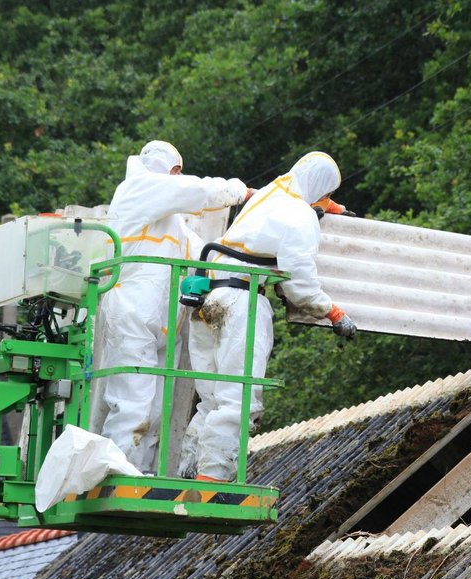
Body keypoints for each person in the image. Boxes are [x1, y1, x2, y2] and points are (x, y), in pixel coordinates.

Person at [181, 151, 357, 482]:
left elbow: (296, 205)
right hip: (239, 303)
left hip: (206, 297)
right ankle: (211, 485)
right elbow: (298, 282)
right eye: (328, 193)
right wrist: (332, 312)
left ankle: (188, 479)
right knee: (239, 401)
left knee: (211, 402)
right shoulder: (299, 215)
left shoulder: (269, 196)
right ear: (319, 187)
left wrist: (329, 208)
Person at [99, 140, 249, 473]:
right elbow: (200, 192)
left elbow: (203, 253)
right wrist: (242, 191)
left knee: (153, 408)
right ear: (173, 170)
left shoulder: (171, 225)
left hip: (160, 320)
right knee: (132, 403)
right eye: (177, 172)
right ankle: (116, 472)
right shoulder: (140, 187)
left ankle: (139, 474)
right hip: (134, 312)